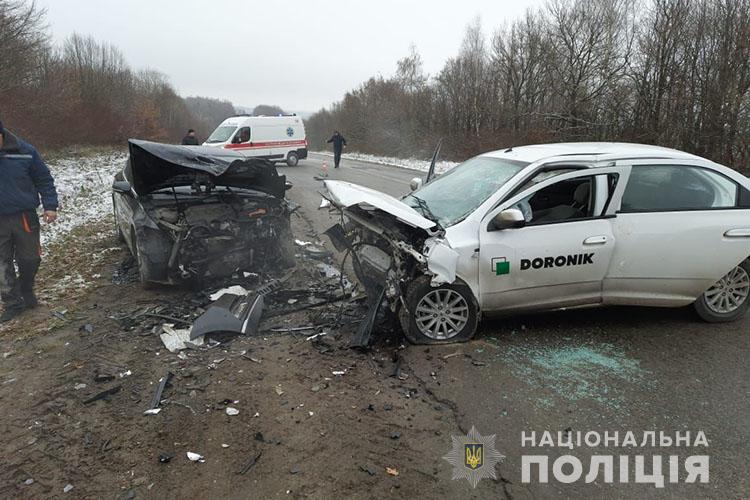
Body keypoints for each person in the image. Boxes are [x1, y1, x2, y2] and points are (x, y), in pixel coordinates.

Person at [0, 119, 58, 323]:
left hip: (24, 216)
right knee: (1, 263)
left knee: (30, 259)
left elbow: (44, 179)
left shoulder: (25, 151)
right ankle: (12, 302)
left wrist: (50, 206)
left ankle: (26, 288)